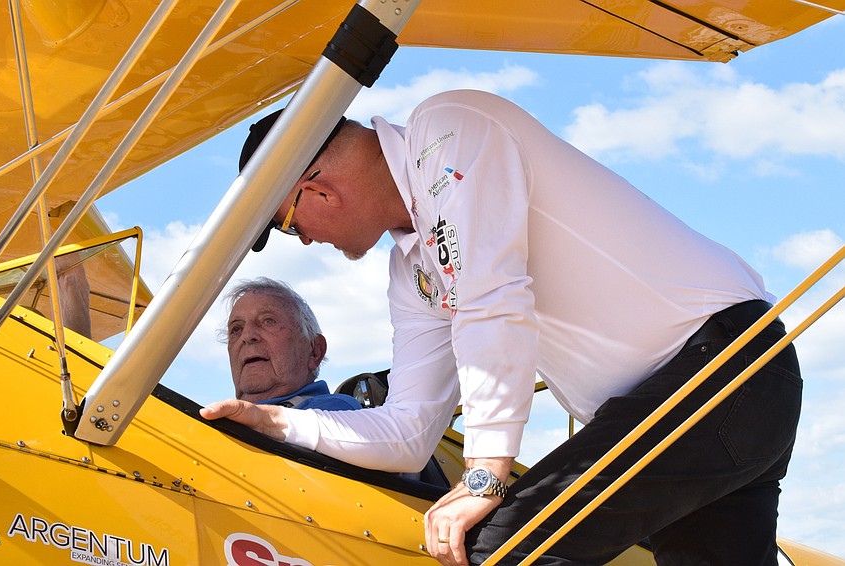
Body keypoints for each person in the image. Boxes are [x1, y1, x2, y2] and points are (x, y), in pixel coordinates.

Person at [201, 90, 802, 565]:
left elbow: (493, 300)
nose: (303, 239)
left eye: (285, 226)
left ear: (313, 190)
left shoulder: (448, 130)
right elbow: (411, 431)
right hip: (678, 404)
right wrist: (279, 420)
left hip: (724, 367)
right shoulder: (410, 269)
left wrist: (485, 475)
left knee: (507, 549)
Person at [219, 277, 360, 411]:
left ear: (315, 351)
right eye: (236, 329)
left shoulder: (333, 414)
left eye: (268, 321)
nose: (247, 336)